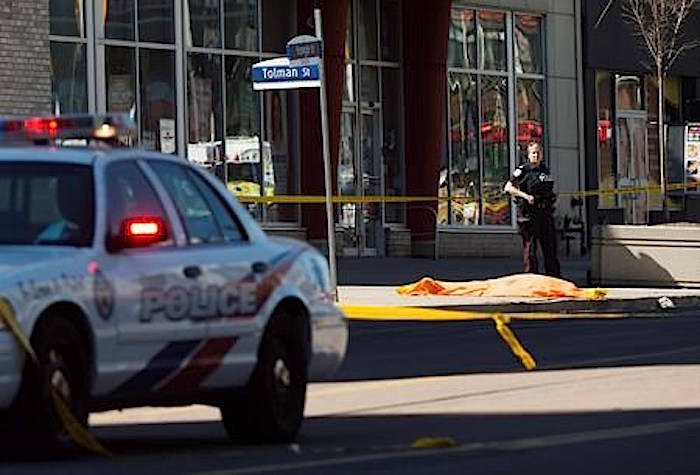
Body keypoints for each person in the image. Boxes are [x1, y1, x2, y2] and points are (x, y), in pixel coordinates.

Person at [504, 142, 561, 277]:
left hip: (545, 213)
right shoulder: (523, 170)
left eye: (538, 153)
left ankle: (553, 276)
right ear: (529, 155)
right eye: (533, 153)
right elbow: (508, 187)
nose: (536, 155)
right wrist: (525, 196)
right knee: (531, 248)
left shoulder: (545, 171)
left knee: (550, 245)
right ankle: (531, 276)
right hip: (529, 214)